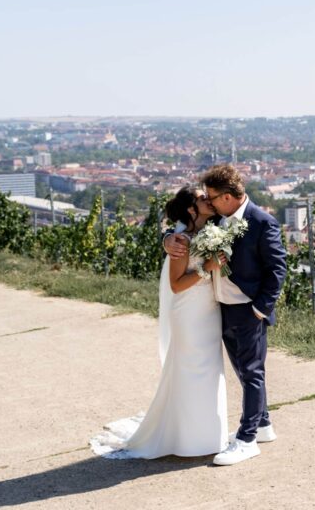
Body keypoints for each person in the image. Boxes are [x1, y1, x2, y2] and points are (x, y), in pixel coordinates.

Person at [90, 187, 228, 459]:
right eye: (202, 198)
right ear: (191, 208)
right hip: (188, 313)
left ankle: (209, 434)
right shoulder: (181, 241)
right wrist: (206, 268)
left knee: (211, 370)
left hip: (210, 310)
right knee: (189, 370)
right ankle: (186, 438)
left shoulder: (214, 228)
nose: (208, 200)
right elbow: (176, 285)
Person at [164, 164, 287, 466]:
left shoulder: (262, 222)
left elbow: (277, 270)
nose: (208, 201)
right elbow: (185, 226)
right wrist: (167, 237)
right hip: (220, 308)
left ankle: (247, 440)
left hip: (247, 309)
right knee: (243, 371)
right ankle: (262, 425)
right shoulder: (219, 217)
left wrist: (259, 309)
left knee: (252, 372)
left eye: (212, 197)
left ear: (228, 197)